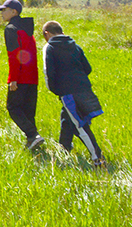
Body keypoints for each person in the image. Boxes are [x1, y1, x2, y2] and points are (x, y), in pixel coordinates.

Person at [42, 21, 105, 166]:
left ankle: (98, 159)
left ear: (47, 34)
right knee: (67, 118)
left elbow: (49, 72)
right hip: (84, 88)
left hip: (68, 92)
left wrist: (55, 90)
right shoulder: (75, 46)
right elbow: (87, 68)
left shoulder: (49, 47)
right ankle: (64, 147)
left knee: (80, 125)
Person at [0, 0, 43, 150]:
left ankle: (33, 135)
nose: (2, 13)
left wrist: (13, 79)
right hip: (32, 77)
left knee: (13, 108)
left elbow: (14, 56)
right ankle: (33, 142)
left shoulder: (11, 29)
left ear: (14, 12)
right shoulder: (28, 29)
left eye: (4, 10)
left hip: (20, 77)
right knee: (28, 112)